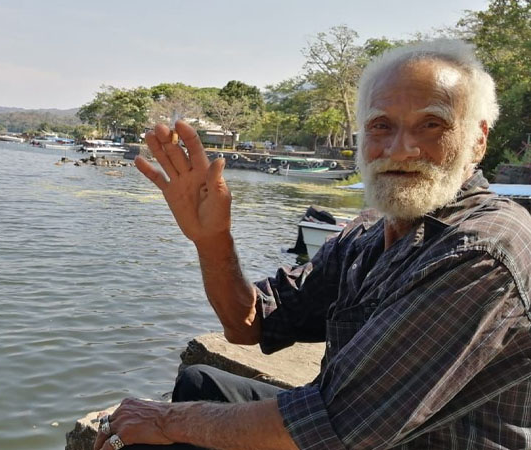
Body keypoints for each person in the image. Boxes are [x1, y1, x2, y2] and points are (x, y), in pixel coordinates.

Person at [93, 39, 531, 450]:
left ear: (478, 140)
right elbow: (250, 326)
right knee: (201, 383)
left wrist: (168, 421)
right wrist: (212, 240)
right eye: (382, 126)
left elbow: (336, 427)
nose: (400, 149)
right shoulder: (370, 234)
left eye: (432, 124)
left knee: (167, 425)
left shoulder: (482, 248)